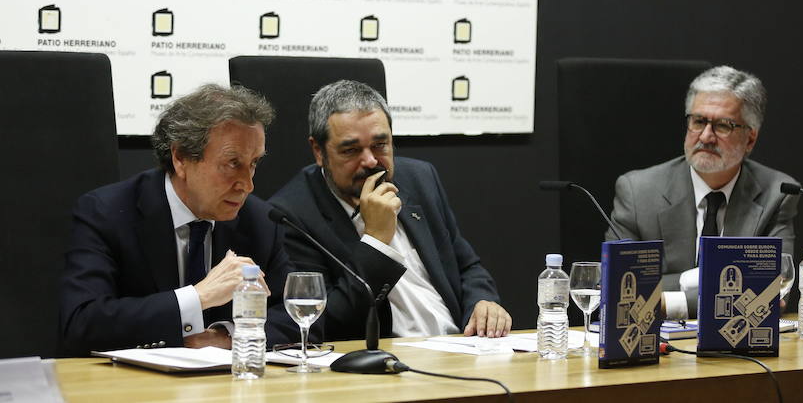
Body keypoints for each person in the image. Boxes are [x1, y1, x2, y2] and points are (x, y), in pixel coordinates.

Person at [59, 84, 299, 355]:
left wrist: (228, 337)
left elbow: (301, 316)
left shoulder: (259, 222)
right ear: (181, 158)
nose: (247, 184)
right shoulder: (108, 213)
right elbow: (82, 324)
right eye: (233, 163)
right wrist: (197, 297)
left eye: (253, 163)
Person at [269, 80, 511, 341]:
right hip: (387, 358)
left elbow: (466, 266)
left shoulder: (419, 178)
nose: (371, 161)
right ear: (318, 151)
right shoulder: (292, 215)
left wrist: (482, 302)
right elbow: (325, 323)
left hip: (460, 344)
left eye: (380, 145)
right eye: (351, 150)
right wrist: (376, 242)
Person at [605, 66, 799, 318]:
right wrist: (693, 281)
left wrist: (669, 301)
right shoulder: (637, 191)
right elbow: (620, 290)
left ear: (750, 139)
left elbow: (774, 294)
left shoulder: (778, 193)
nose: (706, 137)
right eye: (698, 121)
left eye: (723, 126)